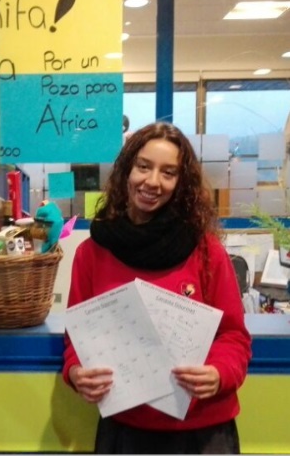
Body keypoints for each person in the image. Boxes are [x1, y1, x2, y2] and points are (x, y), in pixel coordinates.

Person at [62, 122, 251, 454]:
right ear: (126, 171)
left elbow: (234, 336)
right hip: (125, 429)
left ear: (180, 184)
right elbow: (77, 338)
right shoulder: (92, 254)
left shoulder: (206, 250)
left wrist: (219, 373)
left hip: (203, 432)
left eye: (168, 173)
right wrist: (76, 373)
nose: (152, 181)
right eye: (143, 167)